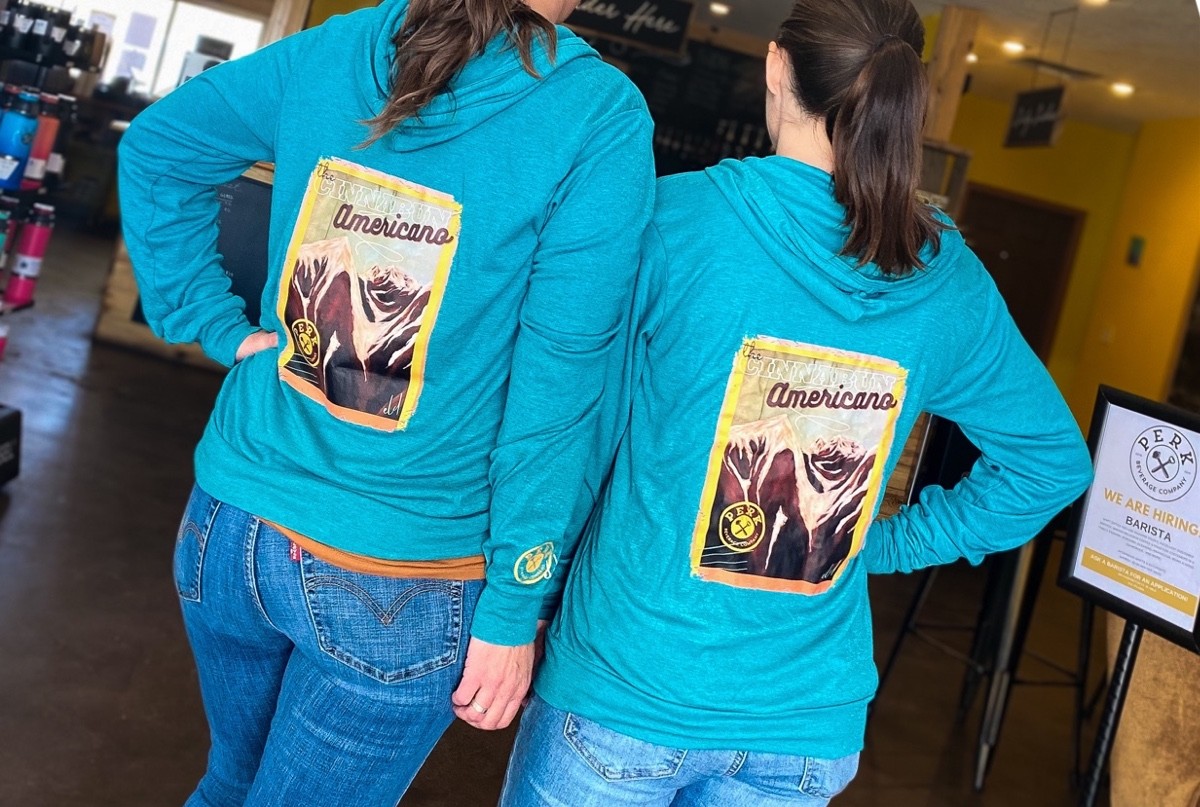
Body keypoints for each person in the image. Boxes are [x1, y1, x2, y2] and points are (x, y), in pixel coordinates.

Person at [498, 0, 1094, 804]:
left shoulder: (677, 219)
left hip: (629, 687)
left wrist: (531, 595)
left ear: (777, 65)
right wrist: (876, 546)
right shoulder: (944, 276)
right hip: (804, 731)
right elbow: (1051, 462)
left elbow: (579, 434)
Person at [117, 0, 654, 802]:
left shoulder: (350, 43)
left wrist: (213, 325)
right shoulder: (596, 115)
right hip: (401, 575)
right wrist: (519, 600)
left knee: (229, 781)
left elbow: (161, 146)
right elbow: (560, 385)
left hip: (229, 529)